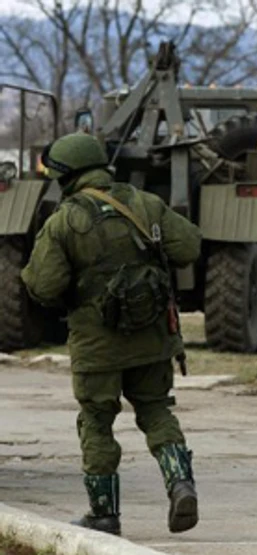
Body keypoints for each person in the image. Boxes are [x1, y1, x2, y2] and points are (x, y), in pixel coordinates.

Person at [20, 132, 202, 536]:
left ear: (66, 175)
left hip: (96, 344)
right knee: (156, 411)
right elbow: (188, 246)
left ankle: (104, 513)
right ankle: (180, 484)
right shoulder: (146, 203)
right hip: (153, 335)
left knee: (97, 424)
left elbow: (43, 286)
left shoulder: (64, 220)